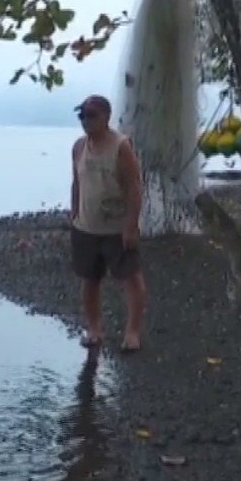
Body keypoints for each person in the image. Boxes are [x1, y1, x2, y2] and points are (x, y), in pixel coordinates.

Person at [69, 94, 147, 353]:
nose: (86, 121)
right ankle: (94, 329)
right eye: (82, 115)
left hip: (116, 228)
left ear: (106, 117)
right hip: (86, 226)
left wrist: (131, 225)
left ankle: (132, 332)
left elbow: (134, 187)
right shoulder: (79, 147)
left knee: (130, 279)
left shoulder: (121, 146)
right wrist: (73, 214)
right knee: (89, 279)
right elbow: (77, 183)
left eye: (91, 115)